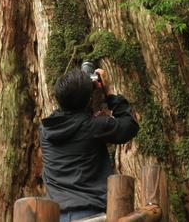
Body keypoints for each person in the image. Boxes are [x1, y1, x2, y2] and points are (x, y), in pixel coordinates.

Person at [39, 66, 139, 222]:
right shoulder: (93, 127)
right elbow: (129, 126)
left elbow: (69, 113)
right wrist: (110, 93)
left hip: (58, 215)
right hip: (91, 214)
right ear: (88, 100)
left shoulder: (45, 129)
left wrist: (81, 88)